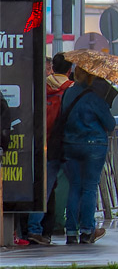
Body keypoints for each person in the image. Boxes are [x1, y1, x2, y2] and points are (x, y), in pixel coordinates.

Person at [60, 70, 114, 245]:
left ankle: (70, 231)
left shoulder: (68, 93)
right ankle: (86, 231)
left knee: (74, 186)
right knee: (89, 187)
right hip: (93, 145)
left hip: (69, 144)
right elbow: (110, 124)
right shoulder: (94, 96)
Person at [25, 54, 74, 244]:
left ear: (52, 67)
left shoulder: (41, 86)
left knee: (43, 189)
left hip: (43, 142)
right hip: (64, 143)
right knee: (77, 187)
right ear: (69, 70)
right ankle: (76, 227)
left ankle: (33, 228)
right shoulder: (71, 90)